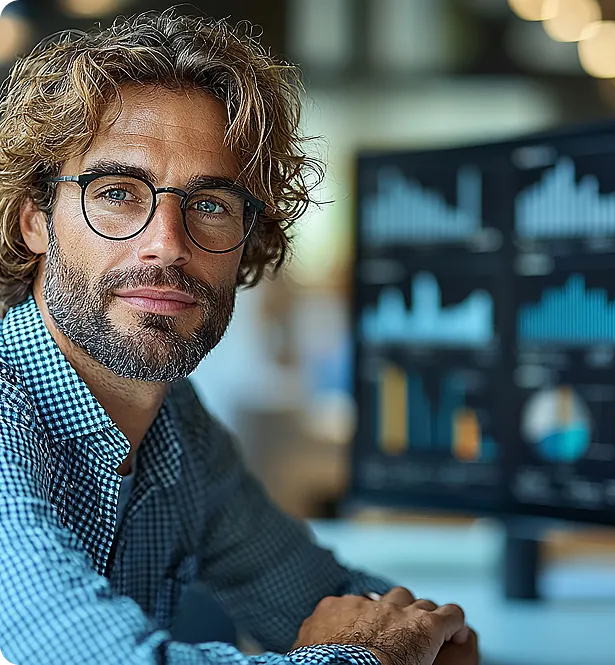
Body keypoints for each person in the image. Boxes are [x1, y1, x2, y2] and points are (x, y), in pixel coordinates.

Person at [0, 8, 478, 665]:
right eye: (116, 192)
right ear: (34, 221)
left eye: (210, 204)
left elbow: (331, 600)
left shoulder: (176, 425)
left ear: (247, 238)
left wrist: (416, 637)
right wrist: (373, 658)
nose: (166, 243)